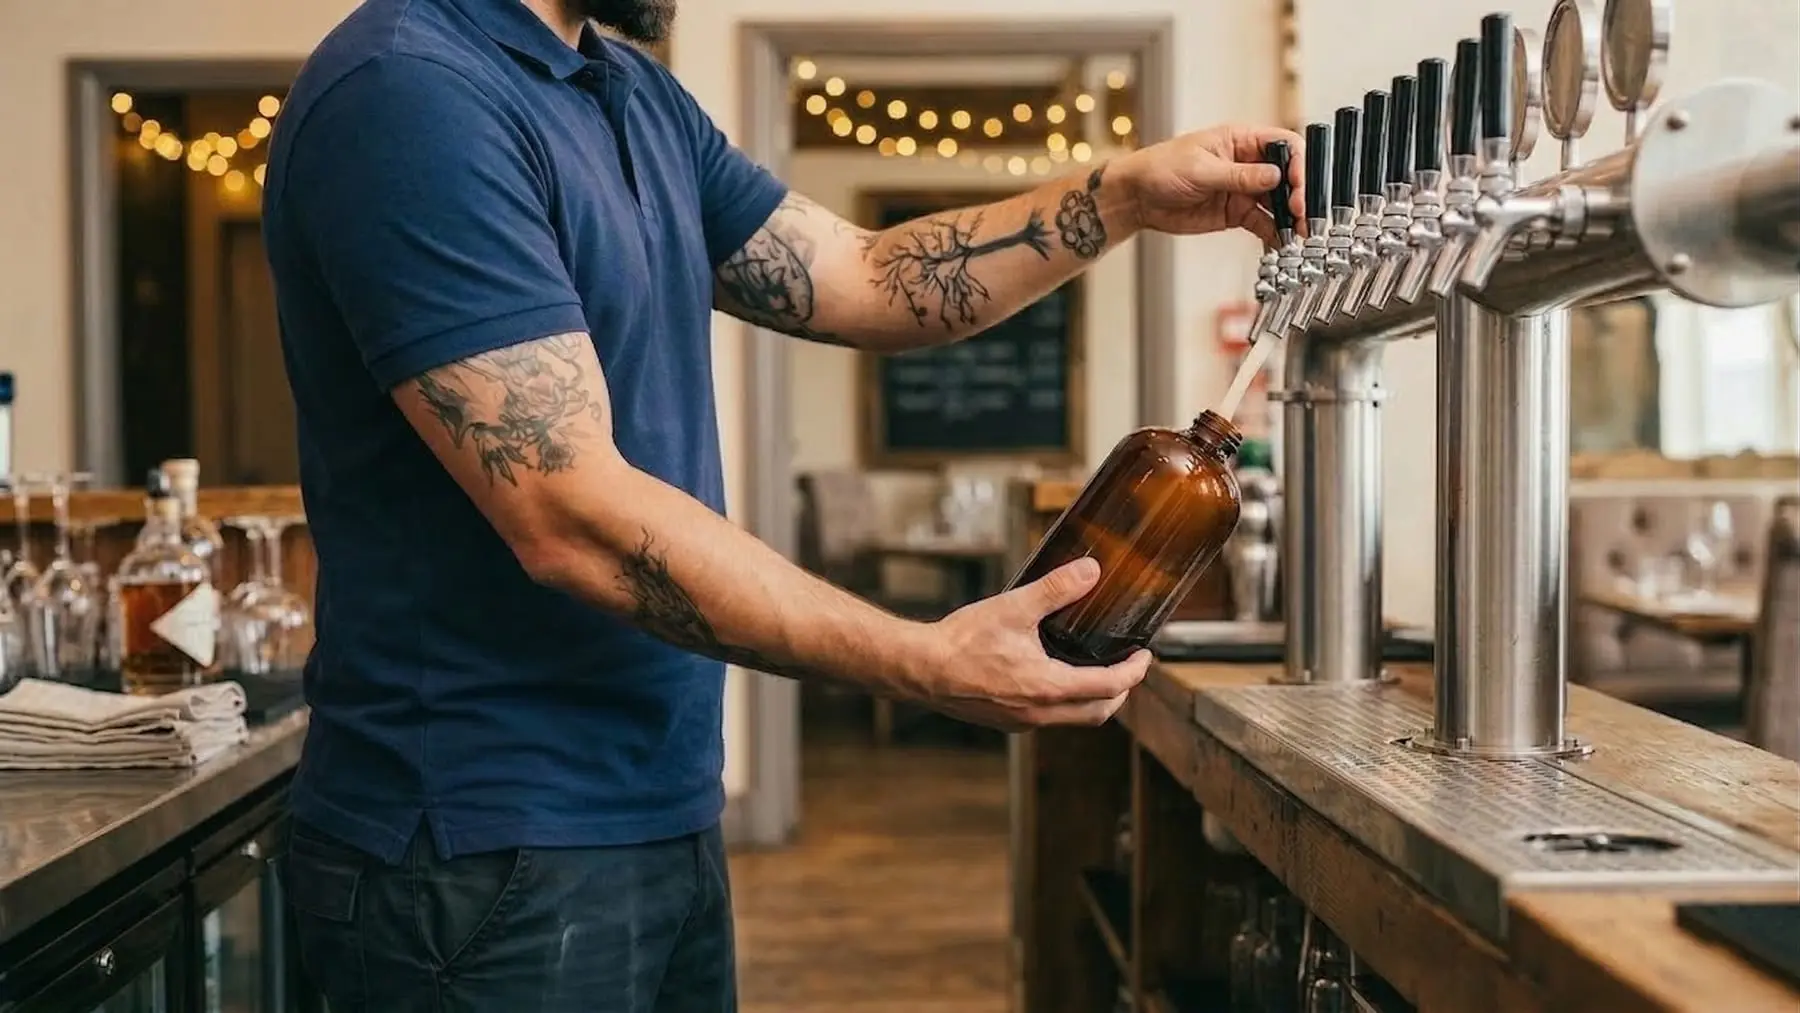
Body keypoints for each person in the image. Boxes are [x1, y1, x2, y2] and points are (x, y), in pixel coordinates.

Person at [261, 0, 1305, 1009]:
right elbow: (568, 514)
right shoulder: (411, 90)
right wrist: (924, 658)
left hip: (654, 801)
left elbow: (867, 274)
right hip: (473, 842)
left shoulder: (631, 95)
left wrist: (1124, 194)